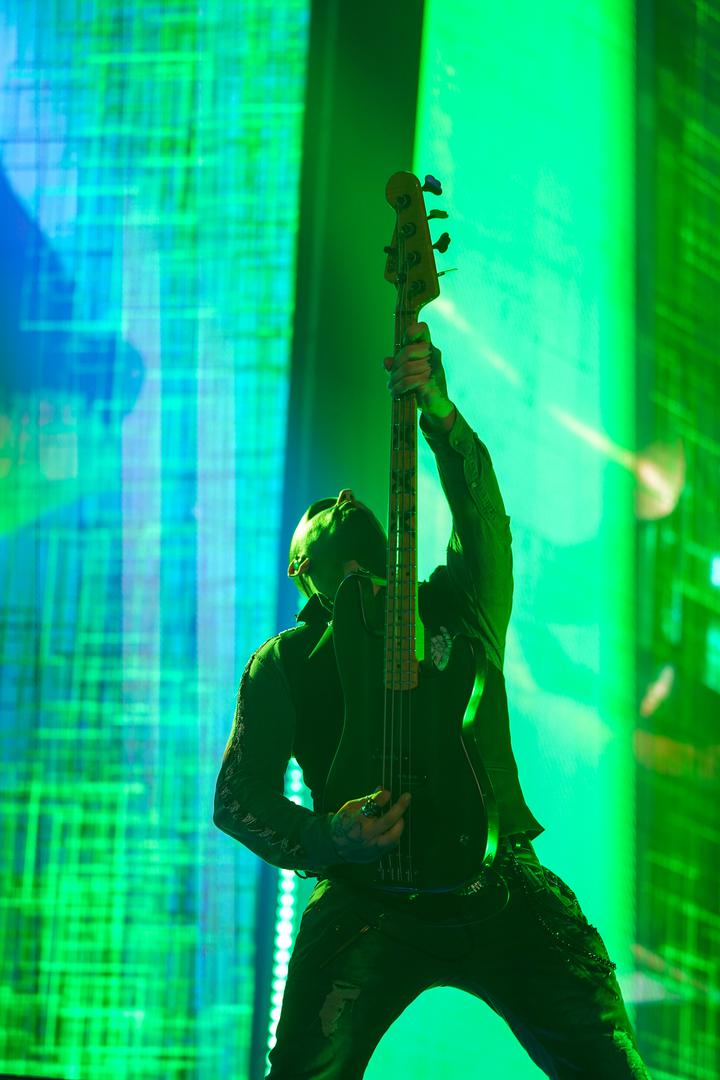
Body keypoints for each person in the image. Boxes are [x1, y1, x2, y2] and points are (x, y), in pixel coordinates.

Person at [213, 322, 650, 1078]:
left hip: (499, 881)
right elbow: (236, 798)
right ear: (302, 572)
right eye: (324, 505)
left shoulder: (453, 605)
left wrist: (440, 413)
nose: (344, 497)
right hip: (364, 902)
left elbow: (484, 525)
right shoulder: (283, 662)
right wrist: (326, 837)